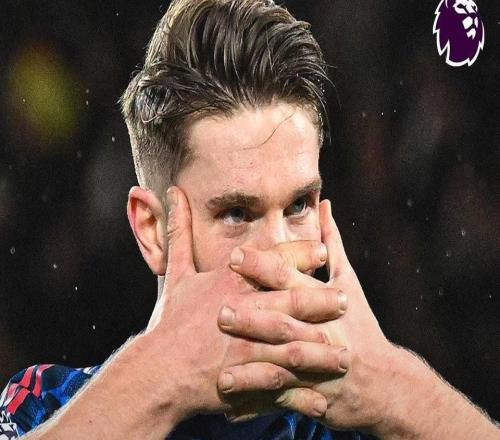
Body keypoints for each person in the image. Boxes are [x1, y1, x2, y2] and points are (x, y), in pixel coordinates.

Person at [1, 0, 498, 439]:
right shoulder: (46, 404)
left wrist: (392, 388)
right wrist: (161, 379)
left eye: (299, 206)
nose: (279, 254)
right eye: (237, 214)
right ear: (152, 231)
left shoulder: (380, 424)